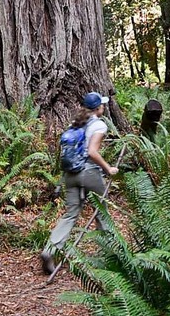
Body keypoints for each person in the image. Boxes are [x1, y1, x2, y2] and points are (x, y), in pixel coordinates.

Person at [40, 91, 118, 274]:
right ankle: (109, 255)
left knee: (70, 214)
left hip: (70, 175)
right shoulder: (99, 126)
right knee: (101, 213)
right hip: (89, 173)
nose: (104, 107)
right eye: (102, 105)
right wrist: (109, 168)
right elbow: (92, 152)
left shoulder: (75, 124)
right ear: (98, 108)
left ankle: (49, 250)